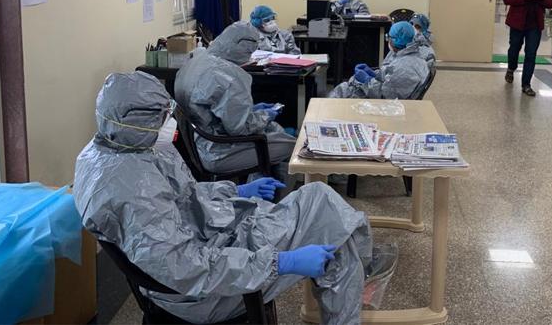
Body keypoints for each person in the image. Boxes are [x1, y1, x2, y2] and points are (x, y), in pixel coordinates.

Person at [74, 71, 373, 325]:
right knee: (334, 231)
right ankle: (359, 280)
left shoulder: (119, 149)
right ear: (134, 120)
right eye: (162, 116)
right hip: (203, 292)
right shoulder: (132, 191)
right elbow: (186, 267)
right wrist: (281, 262)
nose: (169, 122)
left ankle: (360, 271)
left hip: (210, 246)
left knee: (320, 198)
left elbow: (183, 196)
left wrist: (237, 191)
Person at [175, 21, 296, 175]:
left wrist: (253, 110)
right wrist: (266, 115)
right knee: (294, 147)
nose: (249, 57)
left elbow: (212, 108)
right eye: (249, 52)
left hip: (198, 143)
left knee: (274, 131)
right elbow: (240, 128)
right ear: (241, 46)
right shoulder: (228, 76)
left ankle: (264, 179)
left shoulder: (196, 61)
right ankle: (264, 185)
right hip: (219, 152)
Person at [329, 21, 429, 99]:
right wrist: (374, 74)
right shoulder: (408, 54)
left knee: (343, 91)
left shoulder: (405, 68)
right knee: (348, 85)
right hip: (385, 94)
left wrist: (367, 81)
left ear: (395, 40)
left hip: (384, 102)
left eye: (388, 37)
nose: (388, 40)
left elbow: (384, 93)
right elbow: (390, 76)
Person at [503, 0, 552, 96]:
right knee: (514, 48)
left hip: (535, 23)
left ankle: (526, 84)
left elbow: (551, 2)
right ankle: (511, 68)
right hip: (517, 21)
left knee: (531, 54)